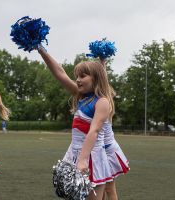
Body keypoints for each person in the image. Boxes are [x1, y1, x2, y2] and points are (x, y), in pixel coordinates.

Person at [38, 46, 114, 200]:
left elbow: (94, 131)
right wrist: (41, 49)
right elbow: (60, 73)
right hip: (74, 154)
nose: (78, 79)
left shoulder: (102, 102)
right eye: (77, 76)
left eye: (83, 76)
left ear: (96, 79)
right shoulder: (81, 96)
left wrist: (83, 159)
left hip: (92, 157)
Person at [100, 59, 130, 200]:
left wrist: (102, 64)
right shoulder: (99, 104)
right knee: (100, 187)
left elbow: (103, 83)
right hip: (101, 150)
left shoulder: (106, 105)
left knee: (108, 188)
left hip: (107, 151)